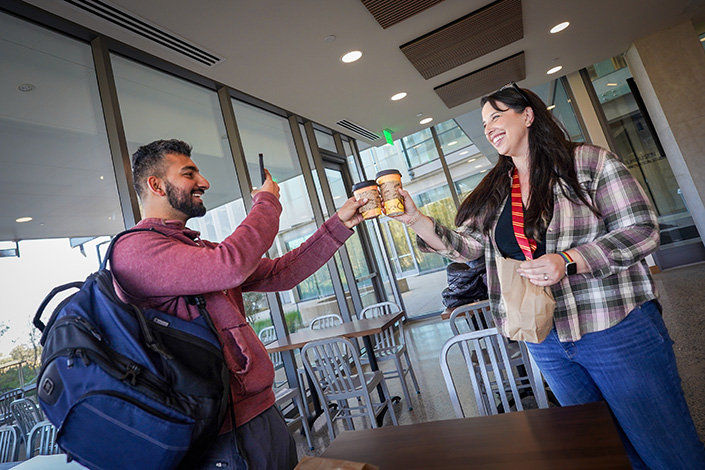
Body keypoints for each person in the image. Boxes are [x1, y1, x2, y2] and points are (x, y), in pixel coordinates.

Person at [391, 84, 705, 469]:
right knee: (603, 450)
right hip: (546, 339)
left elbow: (641, 229)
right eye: (484, 122)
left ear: (527, 115)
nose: (488, 127)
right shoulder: (497, 191)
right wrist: (416, 221)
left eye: (496, 116)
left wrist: (570, 260)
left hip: (614, 327)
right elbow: (469, 247)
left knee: (668, 450)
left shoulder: (587, 162)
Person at [111, 139, 367, 470]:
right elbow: (229, 265)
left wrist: (339, 223)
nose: (203, 182)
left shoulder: (195, 250)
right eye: (189, 173)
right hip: (220, 430)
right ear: (156, 185)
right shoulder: (136, 251)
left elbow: (279, 274)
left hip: (258, 410)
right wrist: (266, 204)